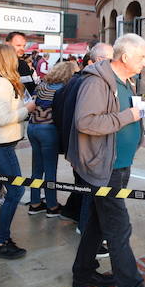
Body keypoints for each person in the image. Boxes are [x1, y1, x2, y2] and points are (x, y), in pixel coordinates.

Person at [68, 33, 145, 287]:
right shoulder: (96, 82)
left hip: (119, 164)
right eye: (141, 58)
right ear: (125, 57)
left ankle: (83, 273)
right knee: (119, 228)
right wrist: (129, 117)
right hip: (105, 167)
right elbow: (86, 122)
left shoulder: (124, 81)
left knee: (99, 223)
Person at [0, 44, 38, 259]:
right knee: (16, 191)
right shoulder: (1, 84)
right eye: (13, 57)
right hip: (0, 144)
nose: (16, 60)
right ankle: (1, 240)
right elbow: (3, 119)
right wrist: (27, 109)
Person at [53, 43, 113, 237]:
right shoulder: (90, 83)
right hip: (82, 144)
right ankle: (85, 226)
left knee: (81, 183)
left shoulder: (76, 80)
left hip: (73, 143)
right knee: (90, 187)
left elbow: (59, 106)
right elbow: (85, 120)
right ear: (95, 61)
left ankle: (71, 212)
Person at [27, 61, 78, 218]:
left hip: (32, 127)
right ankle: (52, 206)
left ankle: (35, 203)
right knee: (50, 169)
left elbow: (32, 103)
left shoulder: (42, 85)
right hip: (48, 130)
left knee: (37, 168)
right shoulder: (63, 89)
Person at [5, 31, 36, 96]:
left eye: (24, 46)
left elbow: (30, 87)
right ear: (7, 44)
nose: (22, 49)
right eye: (18, 45)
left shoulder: (23, 64)